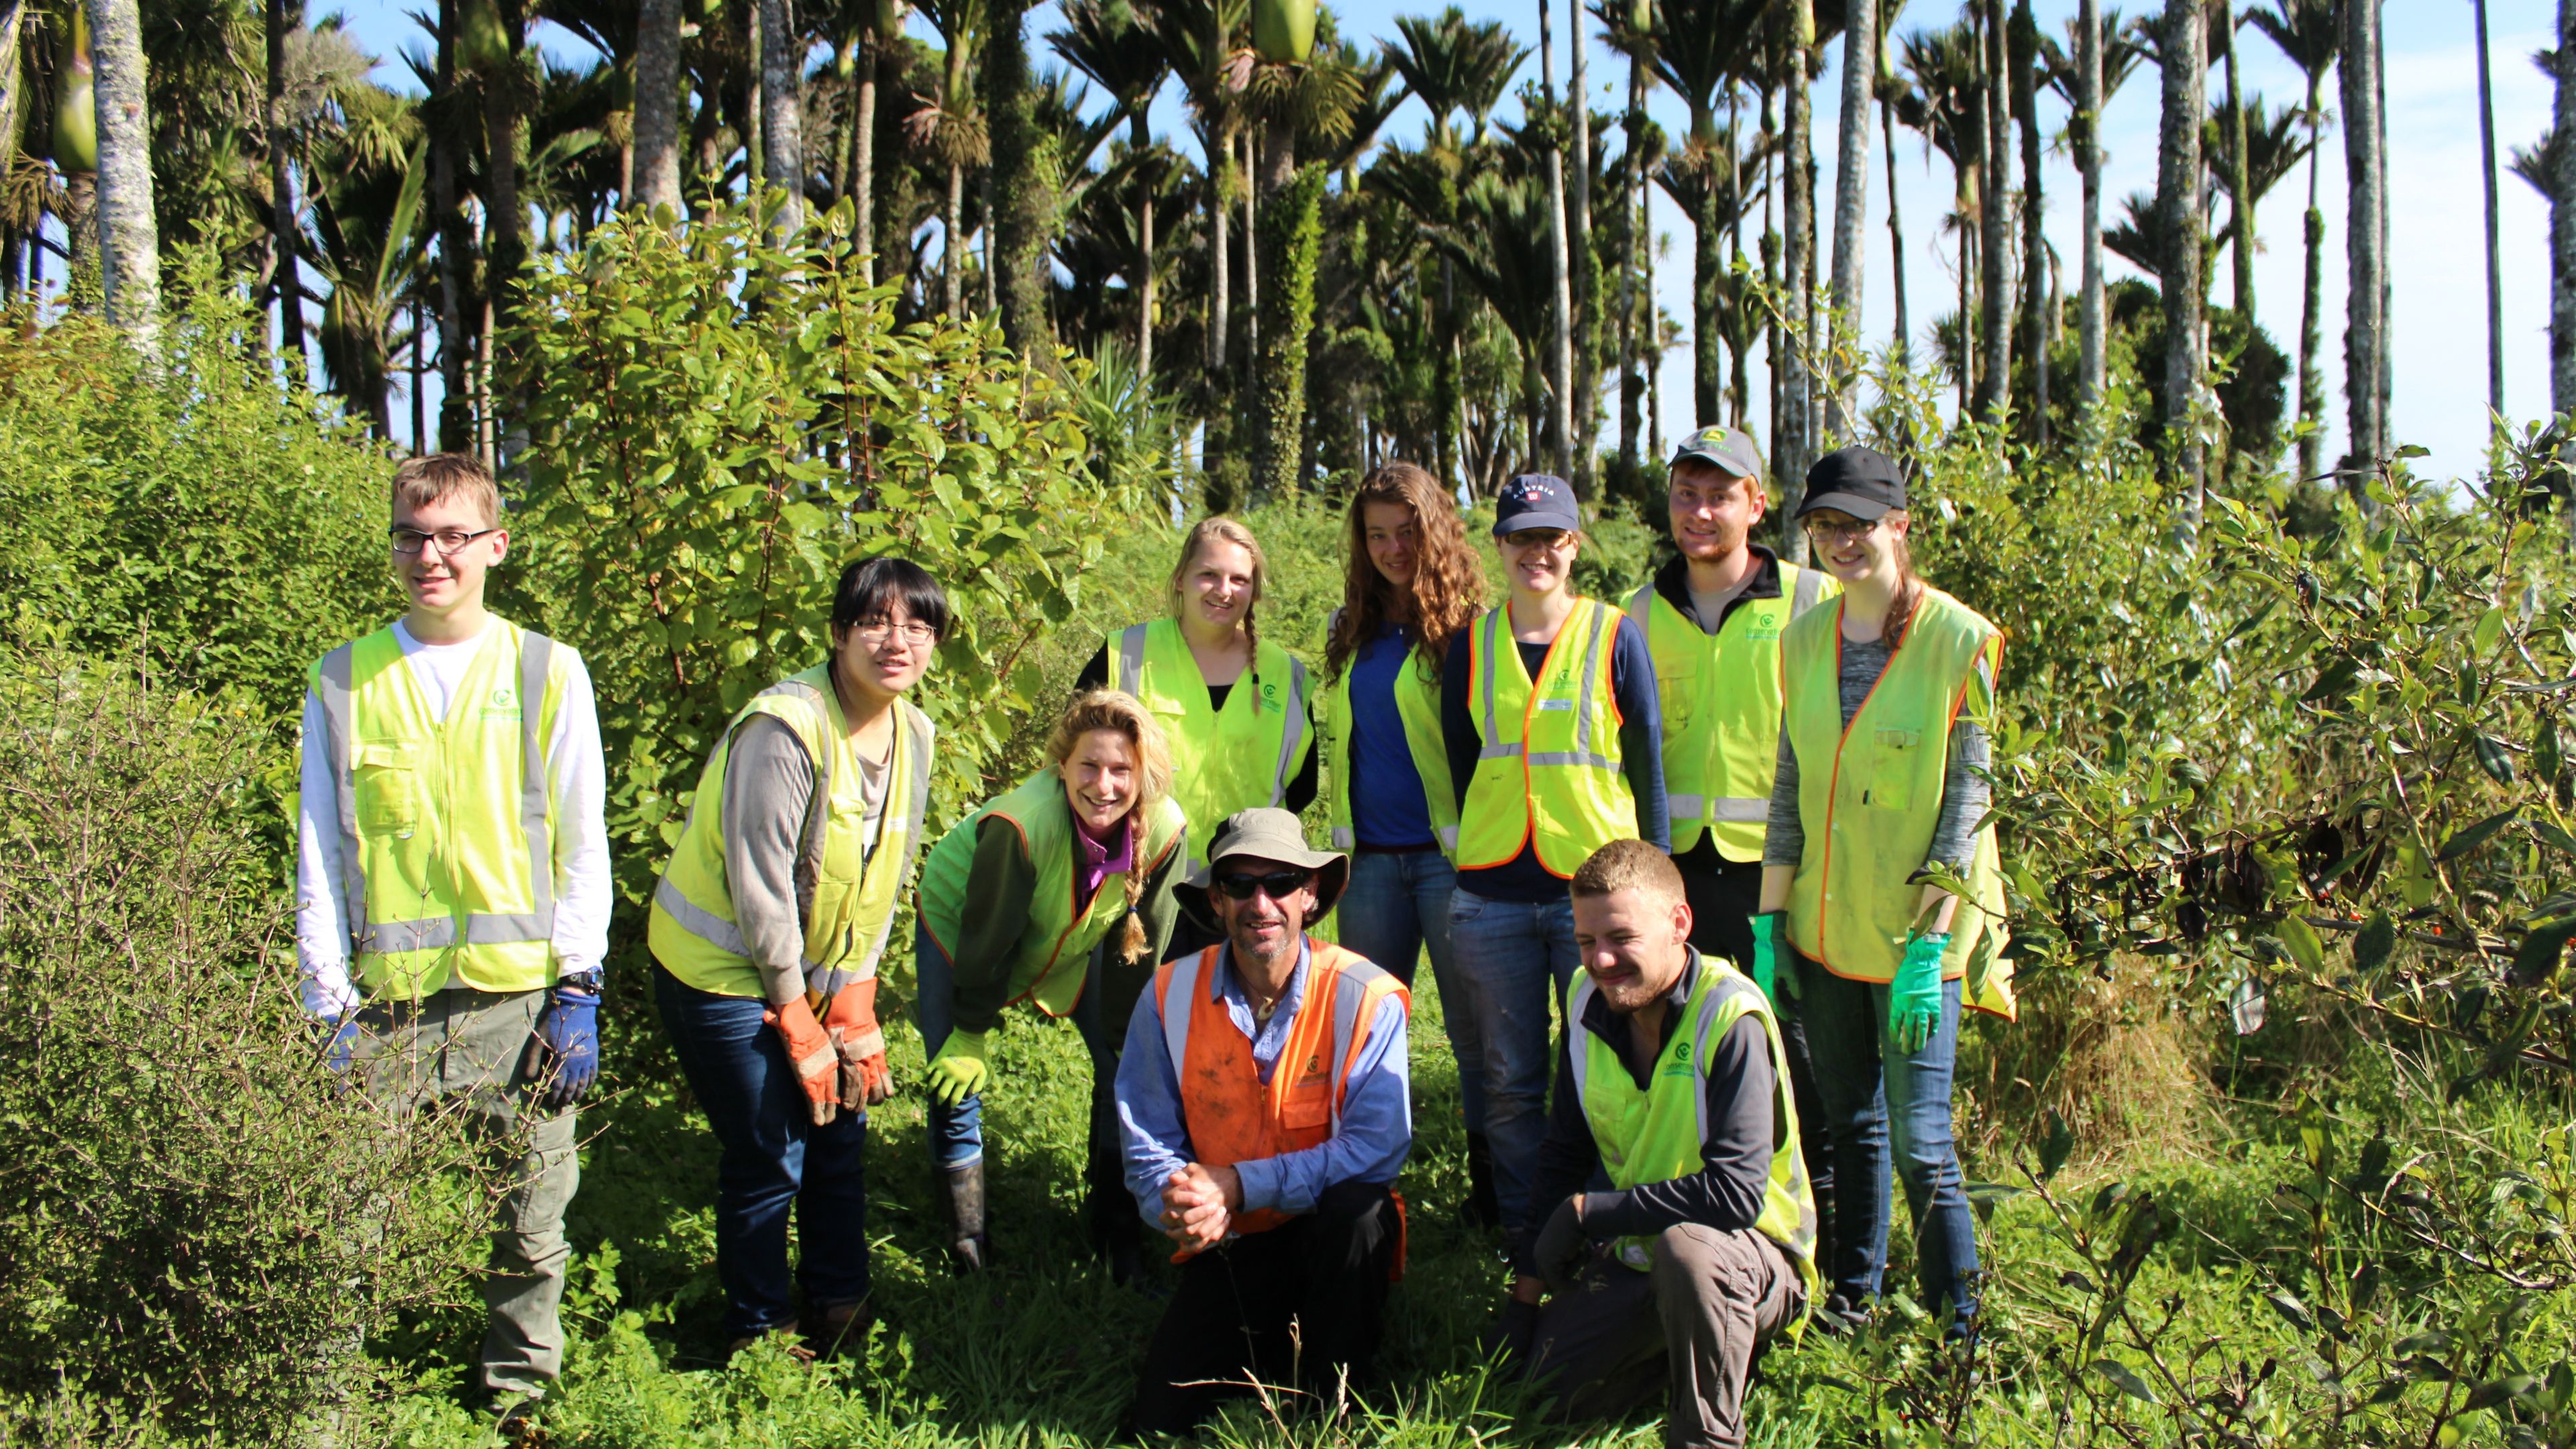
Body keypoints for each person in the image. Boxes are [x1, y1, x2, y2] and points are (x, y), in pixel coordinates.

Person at [296, 452, 609, 1434]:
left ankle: (519, 1396)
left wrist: (579, 986)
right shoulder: (345, 679)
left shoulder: (546, 669)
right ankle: (327, 1400)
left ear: (494, 547)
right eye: (409, 536)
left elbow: (581, 838)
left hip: (520, 1008)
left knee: (532, 1224)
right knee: (345, 1226)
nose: (429, 556)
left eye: (450, 538)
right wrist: (325, 999)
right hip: (381, 1014)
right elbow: (316, 851)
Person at [647, 557, 946, 1358]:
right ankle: (759, 1333)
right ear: (840, 633)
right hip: (718, 969)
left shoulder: (915, 734)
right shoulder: (786, 727)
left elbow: (888, 872)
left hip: (816, 974)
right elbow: (761, 888)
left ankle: (839, 1304)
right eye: (877, 623)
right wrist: (791, 1012)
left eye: (917, 626)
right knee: (771, 1147)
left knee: (842, 1130)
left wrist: (855, 996)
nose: (897, 641)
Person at [1752, 446, 2015, 1338]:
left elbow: (1967, 808)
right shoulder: (1799, 643)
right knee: (1849, 1122)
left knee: (1921, 1139)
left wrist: (1935, 947)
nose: (1839, 541)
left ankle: (1962, 1326)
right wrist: (1768, 921)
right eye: (1824, 525)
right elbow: (1789, 788)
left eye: (1858, 524)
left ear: (1899, 526)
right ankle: (1854, 1298)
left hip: (1916, 941)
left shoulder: (1961, 642)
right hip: (1823, 930)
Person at [1495, 841, 1817, 1449]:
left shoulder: (1730, 1015)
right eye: (1587, 943)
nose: (1602, 961)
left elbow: (1737, 1194)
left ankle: (1707, 1433)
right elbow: (1563, 1152)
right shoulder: (1587, 1001)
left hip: (1751, 1257)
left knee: (1691, 1251)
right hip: (1642, 1251)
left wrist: (1591, 1213)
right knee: (1544, 1387)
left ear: (1679, 925)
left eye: (1621, 938)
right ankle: (1689, 1352)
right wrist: (1525, 1298)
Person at [1116, 809, 1411, 1434]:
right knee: (1156, 1420)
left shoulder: (1364, 994)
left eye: (1279, 882)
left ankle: (1334, 1399)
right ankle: (1273, 1339)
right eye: (1240, 885)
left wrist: (1239, 1184)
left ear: (1309, 896)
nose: (1261, 902)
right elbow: (1146, 1139)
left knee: (1359, 1213)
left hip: (1331, 1235)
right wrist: (1184, 1203)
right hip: (1232, 1239)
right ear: (1217, 902)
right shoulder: (1168, 993)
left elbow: (1378, 1150)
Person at [1625, 425, 1839, 1280]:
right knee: (1693, 1050)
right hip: (1679, 874)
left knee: (1798, 1058)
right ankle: (1704, 1226)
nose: (1701, 511)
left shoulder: (1812, 600)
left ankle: (1817, 1240)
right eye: (1686, 493)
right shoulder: (1637, 613)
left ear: (1759, 503)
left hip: (1780, 873)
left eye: (1721, 495)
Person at [1443, 472, 1668, 1245]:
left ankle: (1604, 1231)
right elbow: (1462, 758)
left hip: (1597, 897)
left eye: (1553, 538)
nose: (1537, 552)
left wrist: (1657, 884)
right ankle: (1525, 1236)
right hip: (1494, 894)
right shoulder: (1469, 644)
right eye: (1522, 537)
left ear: (1574, 545)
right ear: (1499, 545)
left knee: (1604, 1071)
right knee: (1508, 1082)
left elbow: (1648, 764)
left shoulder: (1614, 634)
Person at [912, 689, 1189, 1274]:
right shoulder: (1022, 825)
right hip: (961, 923)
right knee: (954, 1076)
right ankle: (967, 1245)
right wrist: (970, 1027)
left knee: (1126, 1067)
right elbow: (990, 935)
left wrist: (1127, 1038)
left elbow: (1145, 949)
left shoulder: (1164, 830)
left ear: (1144, 775)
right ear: (1061, 765)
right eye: (1088, 765)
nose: (1104, 785)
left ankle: (1116, 1234)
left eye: (1122, 770)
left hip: (1076, 929)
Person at [1316, 462, 1496, 1226]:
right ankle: (1365, 1183)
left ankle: (1493, 1187)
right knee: (1361, 1033)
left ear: (1437, 529)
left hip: (1449, 864)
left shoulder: (1470, 629)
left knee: (1474, 1034)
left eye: (1407, 532)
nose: (1392, 549)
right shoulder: (1348, 626)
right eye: (1377, 535)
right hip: (1369, 867)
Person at [1077, 517, 1317, 890]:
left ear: (1253, 591)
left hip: (1246, 886)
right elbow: (1075, 764)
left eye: (1239, 579)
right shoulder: (1126, 654)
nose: (1224, 590)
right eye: (1208, 574)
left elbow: (1303, 788)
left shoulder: (1287, 675)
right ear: (1180, 579)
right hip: (1139, 878)